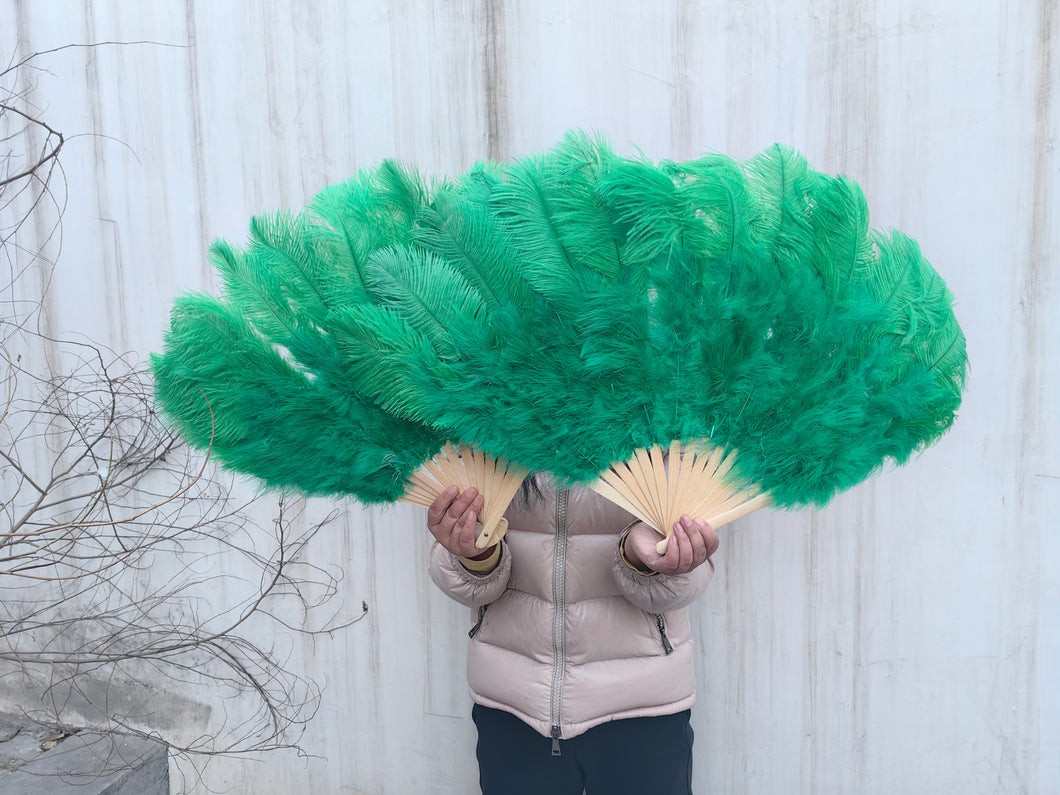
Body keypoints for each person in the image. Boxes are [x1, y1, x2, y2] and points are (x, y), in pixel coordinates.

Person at [427, 475, 720, 795]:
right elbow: (467, 584)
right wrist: (475, 556)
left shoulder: (666, 438)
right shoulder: (483, 433)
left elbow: (686, 584)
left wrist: (646, 559)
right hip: (514, 703)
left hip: (641, 706)